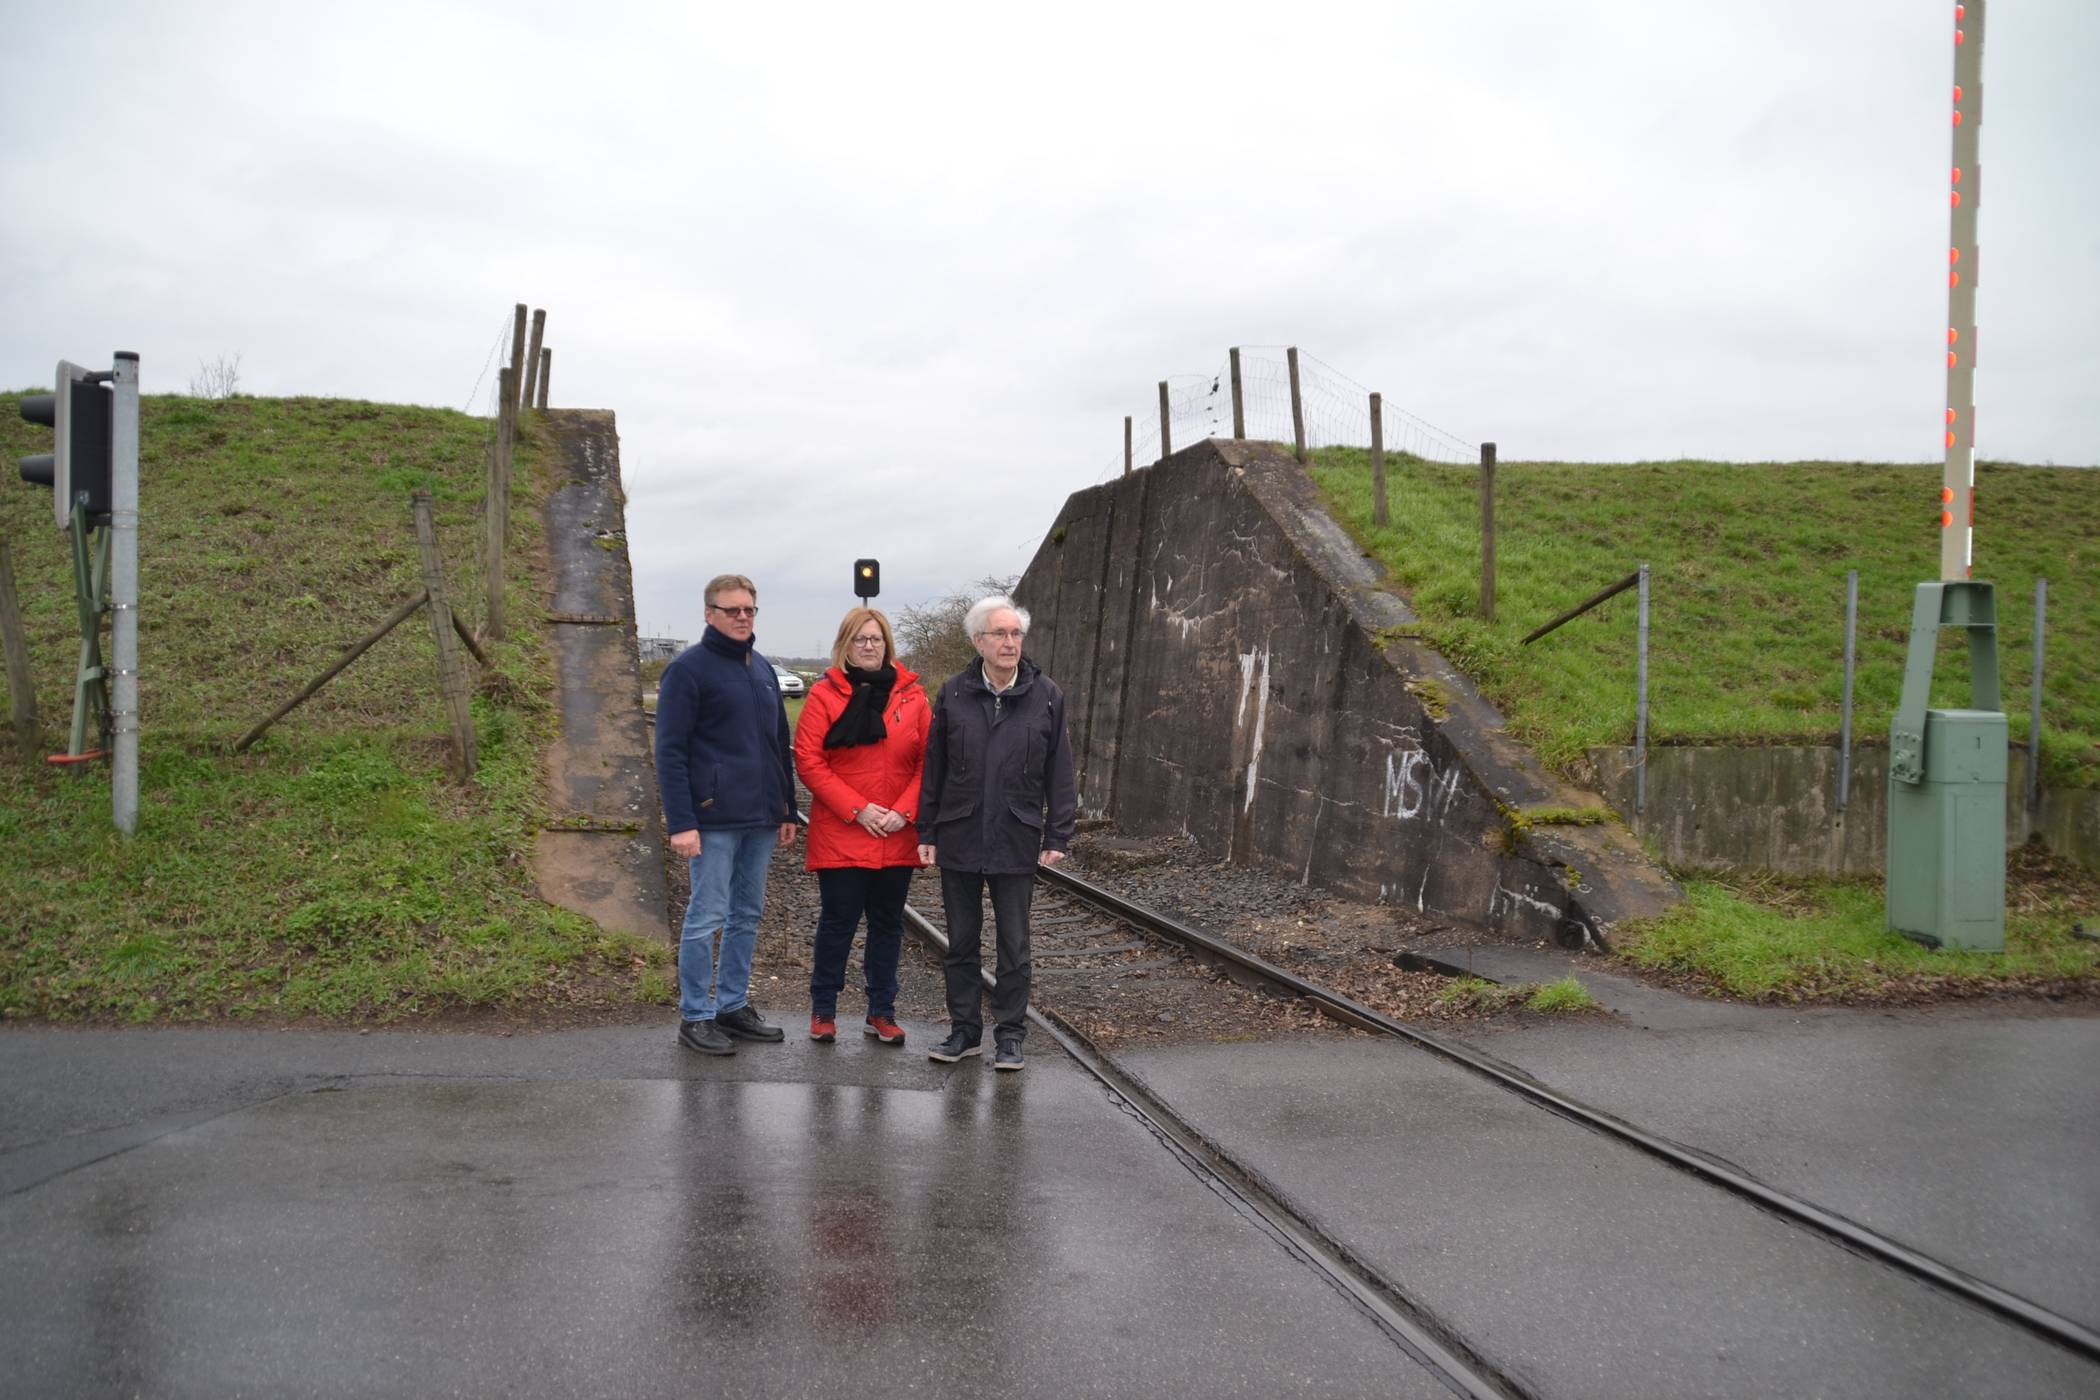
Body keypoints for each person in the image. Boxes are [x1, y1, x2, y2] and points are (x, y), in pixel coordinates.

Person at [916, 595, 1075, 1071]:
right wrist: (928, 828)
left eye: (1016, 635)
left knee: (1015, 944)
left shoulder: (1046, 694)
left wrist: (1057, 835)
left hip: (1015, 834)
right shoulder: (954, 692)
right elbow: (935, 767)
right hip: (961, 833)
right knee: (961, 942)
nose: (1010, 643)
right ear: (978, 641)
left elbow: (1060, 770)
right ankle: (964, 1032)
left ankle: (1011, 1035)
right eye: (1000, 634)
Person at [655, 573, 800, 1055]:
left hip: (759, 817)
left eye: (749, 610)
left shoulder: (760, 668)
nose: (742, 617)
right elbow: (670, 752)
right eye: (732, 609)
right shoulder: (688, 671)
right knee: (706, 916)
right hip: (712, 820)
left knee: (747, 915)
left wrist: (787, 808)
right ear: (709, 613)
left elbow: (779, 744)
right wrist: (681, 822)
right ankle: (696, 1015)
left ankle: (732, 1005)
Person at [793, 607, 930, 1046]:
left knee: (888, 925)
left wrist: (904, 811)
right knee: (838, 922)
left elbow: (930, 763)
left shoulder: (914, 698)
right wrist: (858, 809)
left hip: (895, 830)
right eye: (860, 639)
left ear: (887, 644)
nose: (868, 646)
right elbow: (809, 761)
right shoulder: (824, 695)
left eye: (875, 639)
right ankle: (824, 1010)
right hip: (844, 830)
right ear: (845, 645)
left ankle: (881, 1011)